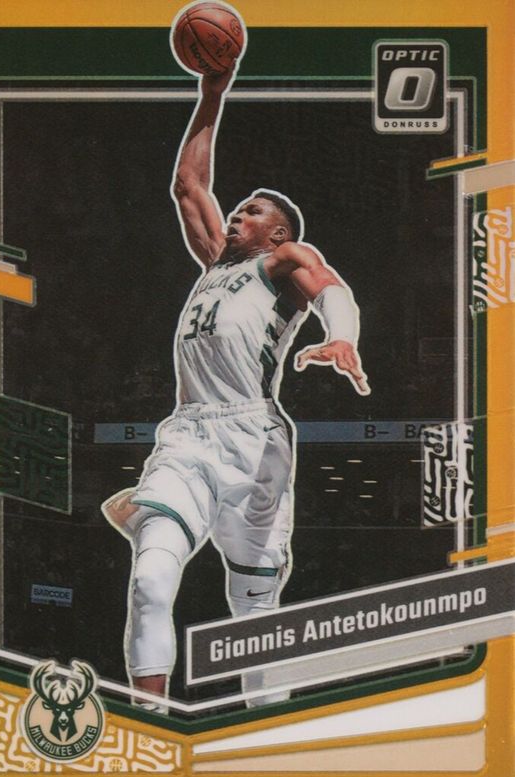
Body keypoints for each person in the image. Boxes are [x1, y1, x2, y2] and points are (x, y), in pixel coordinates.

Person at [101, 60, 370, 713]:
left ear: (277, 232)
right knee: (151, 579)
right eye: (237, 207)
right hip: (187, 435)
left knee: (253, 610)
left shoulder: (282, 260)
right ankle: (150, 721)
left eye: (251, 210)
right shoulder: (212, 263)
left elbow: (330, 286)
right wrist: (211, 91)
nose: (235, 214)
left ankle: (266, 729)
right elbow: (188, 183)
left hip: (254, 438)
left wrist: (341, 336)